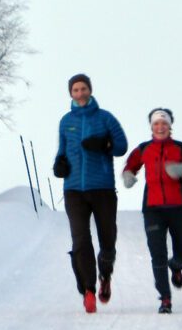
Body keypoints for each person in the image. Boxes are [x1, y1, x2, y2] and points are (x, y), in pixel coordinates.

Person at [53, 73, 128, 313]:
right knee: (80, 240)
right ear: (70, 93)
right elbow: (62, 150)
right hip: (74, 189)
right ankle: (88, 290)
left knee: (107, 239)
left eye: (83, 88)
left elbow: (121, 146)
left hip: (102, 188)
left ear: (90, 90)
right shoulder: (66, 121)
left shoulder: (105, 118)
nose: (80, 93)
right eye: (75, 90)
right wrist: (59, 165)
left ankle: (105, 274)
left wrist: (104, 145)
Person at [121, 107, 182, 314]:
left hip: (179, 208)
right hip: (153, 209)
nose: (160, 127)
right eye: (156, 123)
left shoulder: (181, 149)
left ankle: (176, 266)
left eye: (164, 123)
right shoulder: (144, 149)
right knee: (157, 254)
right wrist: (128, 174)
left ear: (170, 126)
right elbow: (131, 164)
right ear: (151, 127)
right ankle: (165, 298)